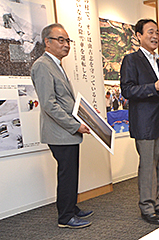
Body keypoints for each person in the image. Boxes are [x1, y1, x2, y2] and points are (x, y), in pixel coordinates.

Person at [31, 23, 93, 229]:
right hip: (60, 132)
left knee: (71, 171)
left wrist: (88, 115)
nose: (66, 44)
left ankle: (71, 207)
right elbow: (49, 105)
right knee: (67, 173)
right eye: (61, 40)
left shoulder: (56, 64)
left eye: (68, 40)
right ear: (47, 42)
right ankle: (65, 217)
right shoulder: (42, 65)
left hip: (66, 132)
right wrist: (75, 126)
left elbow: (65, 101)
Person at [120, 19, 159, 225]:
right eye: (150, 32)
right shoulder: (131, 60)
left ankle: (156, 201)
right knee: (148, 166)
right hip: (144, 122)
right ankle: (146, 207)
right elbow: (127, 90)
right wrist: (154, 86)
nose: (155, 36)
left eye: (157, 32)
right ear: (138, 36)